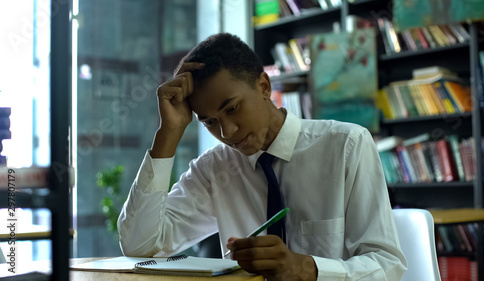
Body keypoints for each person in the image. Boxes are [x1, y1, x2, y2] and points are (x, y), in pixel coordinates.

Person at [118, 33, 407, 281]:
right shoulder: (215, 169)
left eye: (232, 109)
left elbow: (387, 266)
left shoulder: (346, 146)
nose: (228, 132)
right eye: (209, 122)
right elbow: (140, 246)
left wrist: (307, 269)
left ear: (264, 86)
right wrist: (168, 133)